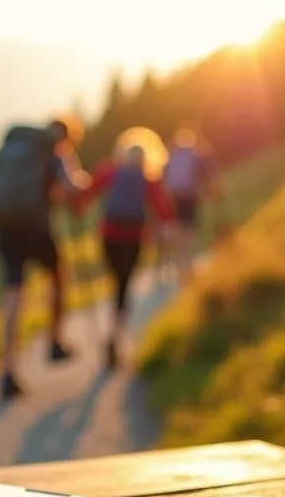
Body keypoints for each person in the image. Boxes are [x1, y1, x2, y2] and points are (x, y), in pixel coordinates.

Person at [0, 116, 91, 400]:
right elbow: (72, 189)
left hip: (5, 229)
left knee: (13, 293)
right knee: (58, 276)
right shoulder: (55, 152)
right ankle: (54, 341)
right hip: (37, 227)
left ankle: (7, 370)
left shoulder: (17, 145)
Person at [75, 128, 177, 368]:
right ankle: (116, 333)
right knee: (124, 284)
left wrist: (77, 207)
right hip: (133, 238)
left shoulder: (110, 170)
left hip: (109, 235)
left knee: (114, 279)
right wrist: (165, 228)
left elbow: (87, 194)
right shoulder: (147, 179)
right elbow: (164, 208)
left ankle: (112, 331)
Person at [162, 122, 224, 284]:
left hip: (174, 197)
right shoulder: (196, 152)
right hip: (190, 197)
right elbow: (208, 174)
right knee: (189, 231)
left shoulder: (172, 153)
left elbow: (163, 176)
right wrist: (214, 191)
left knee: (178, 231)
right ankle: (187, 268)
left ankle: (178, 266)